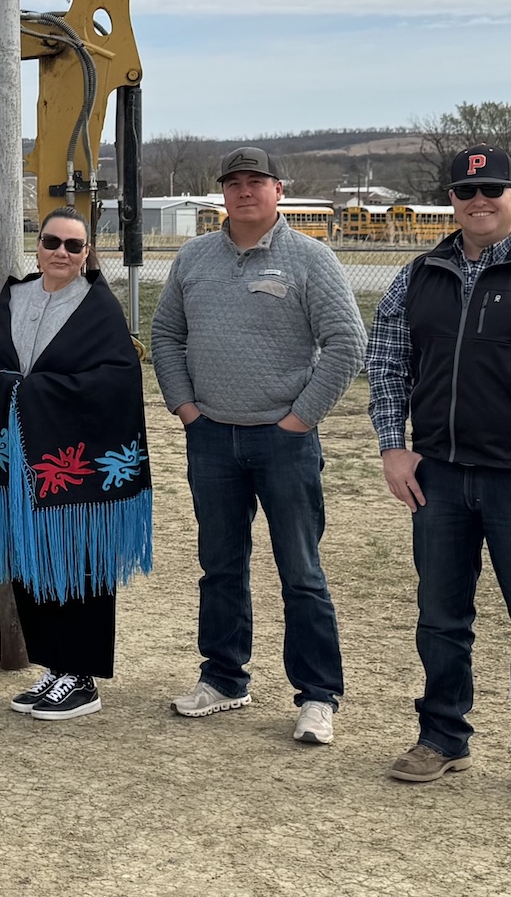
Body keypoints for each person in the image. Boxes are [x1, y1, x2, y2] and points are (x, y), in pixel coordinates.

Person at [368, 144, 511, 814]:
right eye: (468, 192)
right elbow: (386, 363)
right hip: (438, 479)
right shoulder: (418, 276)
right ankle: (441, 737)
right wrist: (394, 446)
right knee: (441, 619)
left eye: (493, 190)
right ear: (453, 200)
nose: (481, 201)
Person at [152, 146, 365, 743]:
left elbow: (347, 343)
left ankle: (317, 695)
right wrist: (187, 408)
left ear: (278, 190)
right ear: (222, 193)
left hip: (284, 441)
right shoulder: (194, 258)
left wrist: (299, 419)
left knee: (300, 569)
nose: (245, 192)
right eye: (234, 183)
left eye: (257, 182)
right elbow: (167, 334)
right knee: (220, 564)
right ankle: (224, 678)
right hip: (213, 438)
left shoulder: (309, 259)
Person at [0, 208, 152, 721]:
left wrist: (33, 390)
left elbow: (117, 379)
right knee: (30, 564)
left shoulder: (99, 309)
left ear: (87, 253)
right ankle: (55, 666)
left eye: (74, 245)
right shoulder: (15, 298)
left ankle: (83, 676)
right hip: (24, 466)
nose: (62, 253)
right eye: (52, 242)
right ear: (38, 244)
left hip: (77, 471)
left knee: (79, 562)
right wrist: (12, 388)